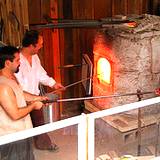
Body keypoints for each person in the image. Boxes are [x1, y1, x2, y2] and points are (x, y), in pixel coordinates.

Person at [15, 30, 65, 151]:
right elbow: (18, 85)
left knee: (39, 122)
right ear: (32, 45)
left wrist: (53, 84)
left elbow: (41, 74)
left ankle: (43, 143)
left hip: (35, 97)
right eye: (40, 44)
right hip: (21, 100)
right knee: (22, 127)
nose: (42, 46)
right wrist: (32, 99)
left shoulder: (35, 57)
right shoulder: (16, 60)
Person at [0, 46, 47, 160]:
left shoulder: (12, 77)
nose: (20, 62)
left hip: (23, 131)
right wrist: (33, 106)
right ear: (7, 63)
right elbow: (15, 115)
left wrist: (37, 98)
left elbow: (20, 93)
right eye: (17, 60)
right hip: (12, 137)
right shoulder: (3, 86)